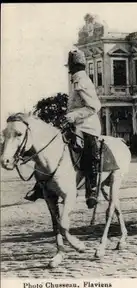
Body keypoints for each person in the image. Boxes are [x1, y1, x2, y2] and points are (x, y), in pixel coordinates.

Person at [25, 48, 103, 209]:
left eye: (71, 66)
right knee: (51, 147)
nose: (69, 69)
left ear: (76, 67)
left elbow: (95, 106)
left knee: (91, 154)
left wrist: (73, 116)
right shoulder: (75, 80)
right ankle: (40, 185)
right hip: (74, 125)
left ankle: (92, 190)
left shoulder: (83, 82)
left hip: (87, 126)